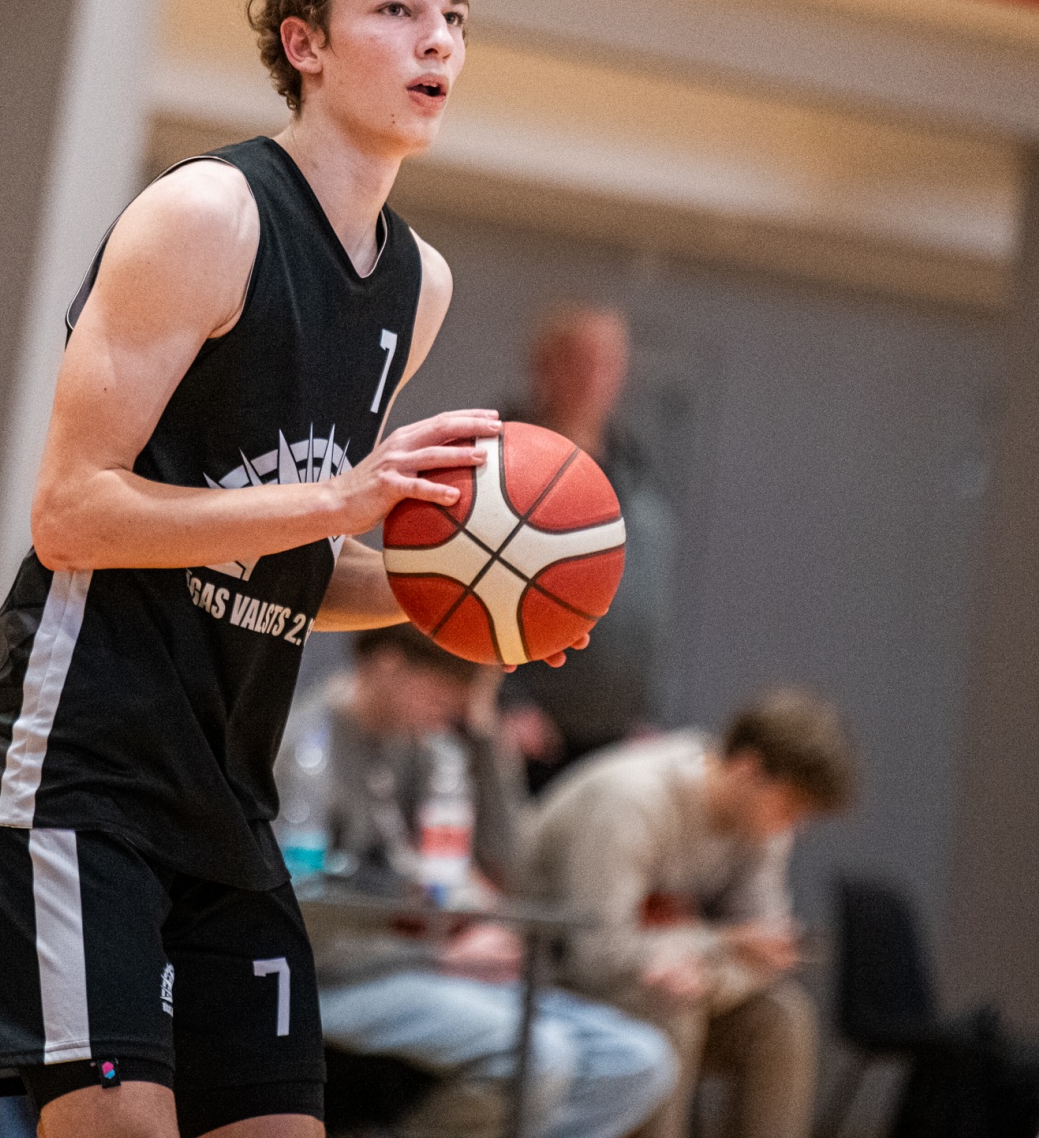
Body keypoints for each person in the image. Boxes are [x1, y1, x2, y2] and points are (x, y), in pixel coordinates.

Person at [0, 0, 528, 1138]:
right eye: (398, 9)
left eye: (455, 17)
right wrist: (335, 502)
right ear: (305, 44)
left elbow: (282, 569)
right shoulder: (207, 215)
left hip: (226, 800)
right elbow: (71, 514)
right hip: (72, 771)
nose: (437, 42)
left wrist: (467, 599)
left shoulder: (418, 286)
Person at [278, 626, 673, 1138]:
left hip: (413, 963)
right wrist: (437, 955)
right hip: (336, 977)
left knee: (636, 1063)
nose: (457, 714)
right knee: (538, 1058)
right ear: (388, 665)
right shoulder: (306, 749)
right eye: (446, 697)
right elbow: (304, 925)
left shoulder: (425, 745)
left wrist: (486, 735)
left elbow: (512, 861)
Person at [523, 689, 855, 1138]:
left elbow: (764, 955)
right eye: (790, 807)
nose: (793, 827)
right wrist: (718, 945)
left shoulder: (761, 827)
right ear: (748, 770)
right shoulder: (632, 799)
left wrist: (705, 968)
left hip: (650, 977)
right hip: (548, 978)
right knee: (670, 1010)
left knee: (782, 1018)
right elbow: (596, 956)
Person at [501, 302, 675, 789]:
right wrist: (505, 703)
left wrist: (645, 711)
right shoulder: (501, 461)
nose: (593, 379)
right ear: (543, 367)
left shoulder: (637, 472)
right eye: (578, 361)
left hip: (617, 735)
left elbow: (646, 602)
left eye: (607, 363)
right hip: (526, 732)